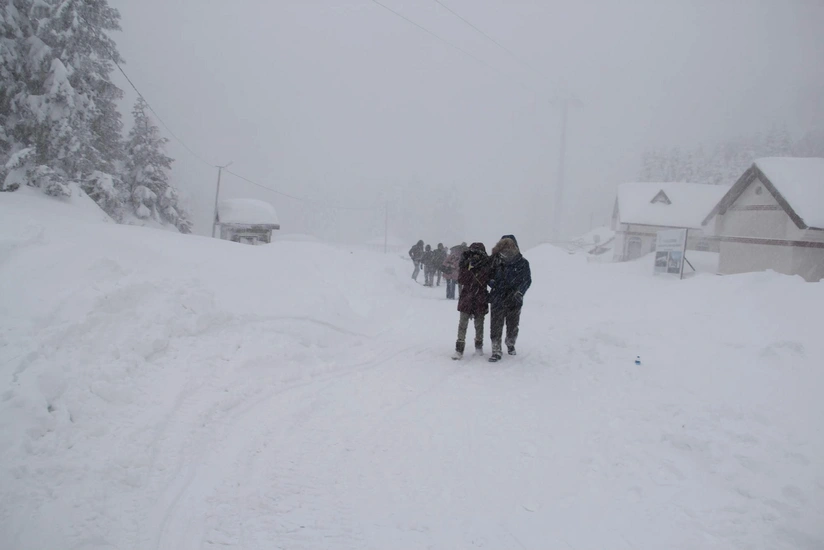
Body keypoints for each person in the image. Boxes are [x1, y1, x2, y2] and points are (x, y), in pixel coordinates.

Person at [487, 235, 531, 362]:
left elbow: (526, 279)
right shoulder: (495, 260)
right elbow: (487, 275)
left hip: (507, 296)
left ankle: (506, 344)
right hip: (504, 296)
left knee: (506, 324)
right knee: (506, 323)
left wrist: (519, 292)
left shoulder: (521, 262)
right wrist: (492, 282)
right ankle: (501, 347)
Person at [452, 242, 492, 359]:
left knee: (479, 324)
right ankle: (459, 349)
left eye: (478, 254)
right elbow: (461, 279)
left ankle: (478, 347)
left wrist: (478, 269)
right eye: (474, 253)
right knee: (463, 323)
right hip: (470, 296)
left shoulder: (486, 265)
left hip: (477, 296)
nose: (475, 256)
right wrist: (469, 268)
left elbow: (486, 279)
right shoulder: (465, 263)